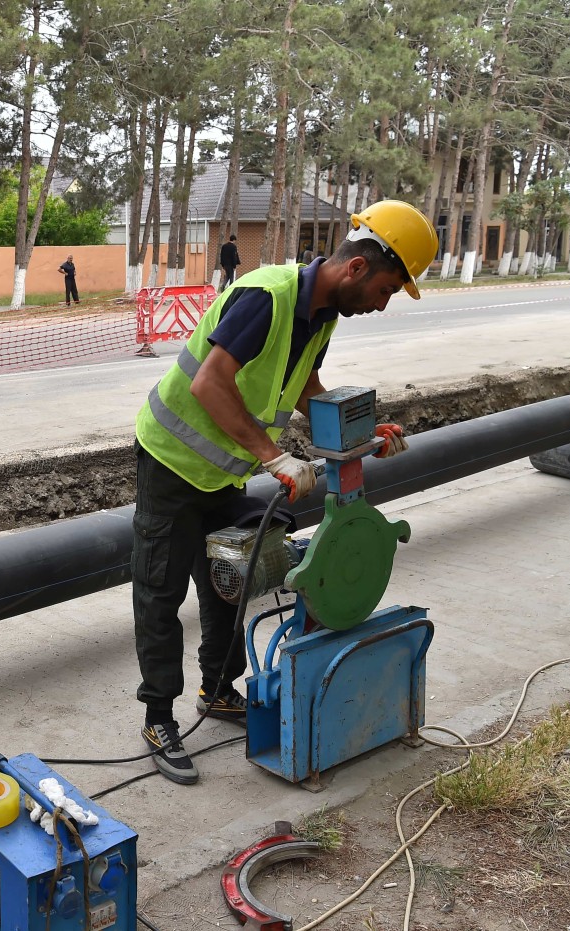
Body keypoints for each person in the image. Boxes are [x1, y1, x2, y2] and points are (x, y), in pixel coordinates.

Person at [131, 200, 437, 785]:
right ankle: (158, 718)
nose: (381, 304)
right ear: (355, 269)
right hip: (172, 463)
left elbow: (305, 388)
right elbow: (209, 381)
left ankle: (218, 691)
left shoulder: (321, 316)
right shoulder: (267, 297)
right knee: (160, 593)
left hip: (222, 471)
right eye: (386, 290)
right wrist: (276, 457)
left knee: (229, 578)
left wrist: (360, 430)